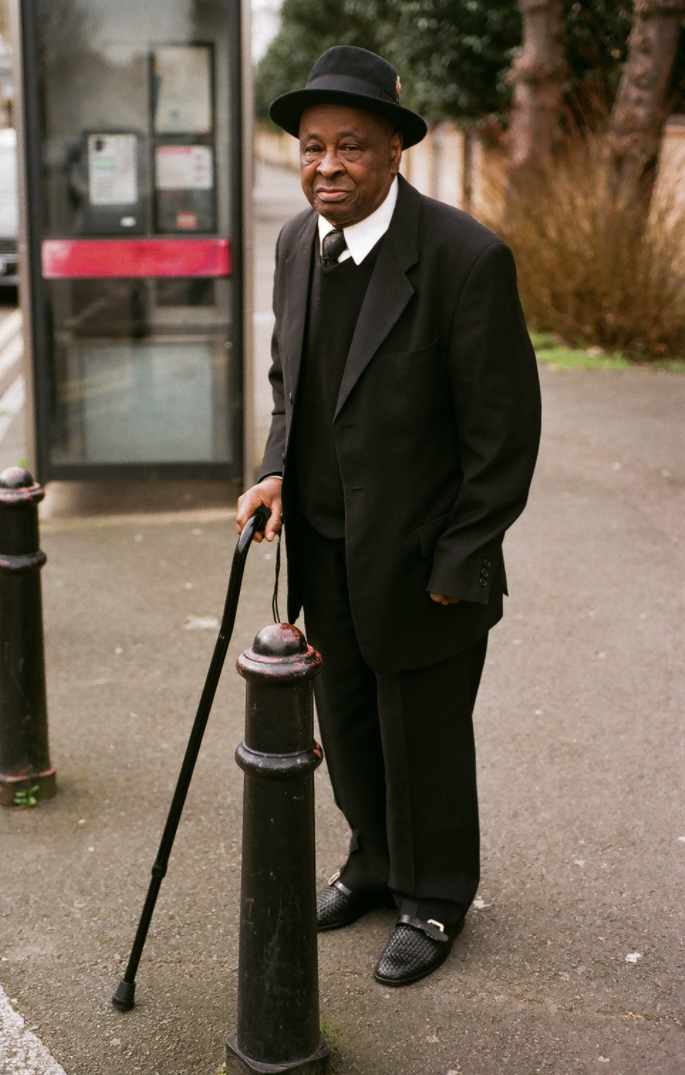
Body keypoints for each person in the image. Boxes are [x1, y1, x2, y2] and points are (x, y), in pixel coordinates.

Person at [236, 45, 541, 987]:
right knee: (353, 723)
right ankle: (372, 864)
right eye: (314, 146)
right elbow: (292, 382)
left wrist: (462, 561)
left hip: (425, 563)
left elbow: (504, 439)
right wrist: (274, 469)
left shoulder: (465, 260)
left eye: (351, 148)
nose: (327, 165)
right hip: (327, 555)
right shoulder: (297, 243)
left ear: (395, 152)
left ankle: (435, 899)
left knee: (427, 740)